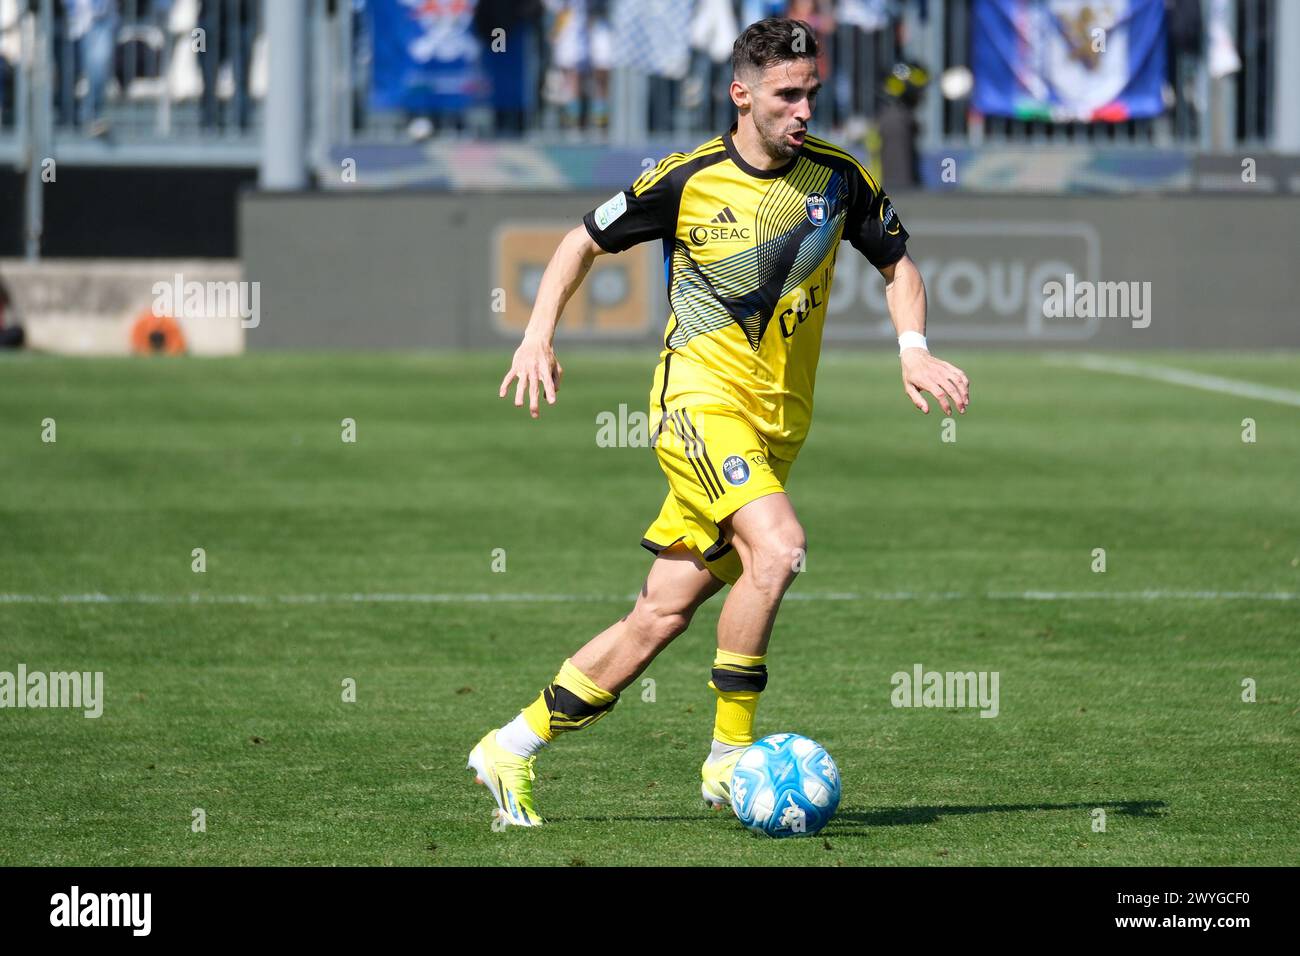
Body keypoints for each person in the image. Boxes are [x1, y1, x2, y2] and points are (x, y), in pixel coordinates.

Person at [473, 16, 970, 827]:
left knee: (660, 616)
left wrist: (913, 349)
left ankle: (509, 748)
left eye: (811, 92)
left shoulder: (838, 179)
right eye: (786, 95)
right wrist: (537, 334)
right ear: (742, 94)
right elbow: (580, 242)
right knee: (779, 549)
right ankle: (730, 755)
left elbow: (898, 265)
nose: (804, 109)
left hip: (775, 431)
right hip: (696, 410)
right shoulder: (686, 178)